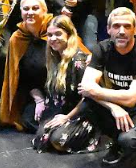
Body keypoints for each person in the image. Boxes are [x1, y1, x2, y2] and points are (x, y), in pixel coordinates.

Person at [79, 7, 136, 168]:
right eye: (116, 26)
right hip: (118, 103)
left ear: (135, 29)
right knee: (87, 106)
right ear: (108, 29)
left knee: (129, 140)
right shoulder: (101, 49)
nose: (121, 31)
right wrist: (113, 107)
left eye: (127, 26)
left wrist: (94, 91)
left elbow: (131, 98)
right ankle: (117, 141)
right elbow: (87, 86)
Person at [33, 15, 95, 153]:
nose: (53, 39)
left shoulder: (79, 61)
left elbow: (88, 98)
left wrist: (67, 118)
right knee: (42, 137)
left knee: (58, 140)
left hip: (82, 113)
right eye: (50, 35)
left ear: (69, 34)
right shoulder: (54, 58)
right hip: (63, 111)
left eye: (58, 34)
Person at [0, 0, 52, 132]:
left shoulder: (56, 31)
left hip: (59, 92)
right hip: (36, 91)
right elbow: (19, 75)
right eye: (26, 9)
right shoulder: (17, 38)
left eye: (35, 8)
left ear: (44, 11)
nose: (30, 12)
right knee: (29, 121)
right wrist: (39, 99)